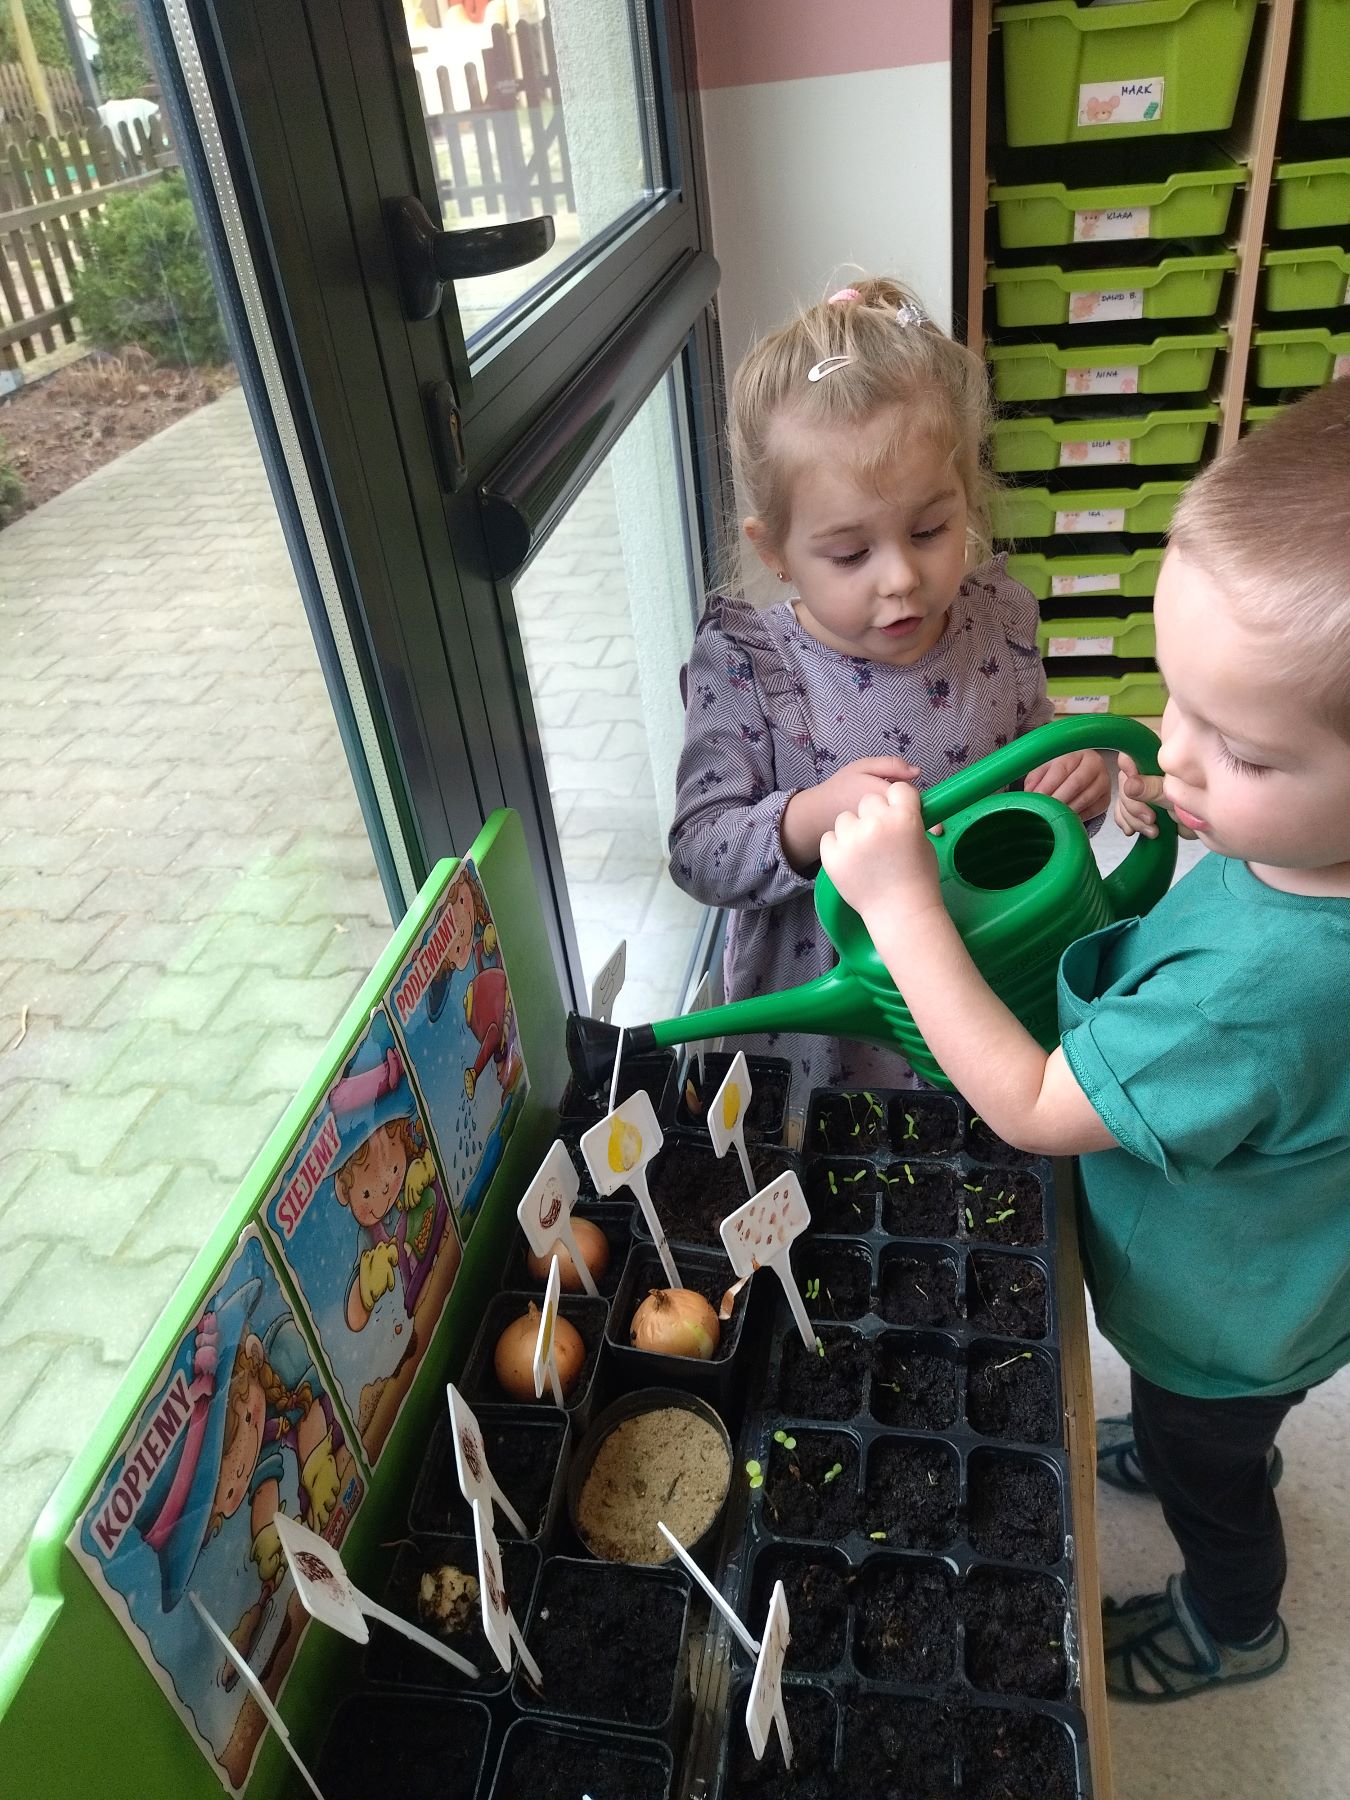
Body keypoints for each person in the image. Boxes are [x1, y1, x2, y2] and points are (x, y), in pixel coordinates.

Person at [818, 378, 1350, 1700]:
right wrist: (1207, 801)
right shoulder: (1309, 865)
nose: (1174, 755)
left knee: (1211, 1476)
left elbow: (1034, 1106)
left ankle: (1235, 1624)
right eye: (1176, 704)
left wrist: (903, 911)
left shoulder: (1261, 988)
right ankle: (1200, 1439)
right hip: (1278, 1280)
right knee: (1208, 1433)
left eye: (1239, 751)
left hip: (1223, 1326)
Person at [668, 277, 1109, 1092]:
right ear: (774, 551)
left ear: (966, 497)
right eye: (850, 554)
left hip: (990, 997)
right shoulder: (747, 667)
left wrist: (1074, 779)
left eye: (931, 529)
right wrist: (809, 819)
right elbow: (699, 854)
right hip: (828, 1039)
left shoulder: (998, 620)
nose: (901, 577)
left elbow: (1035, 766)